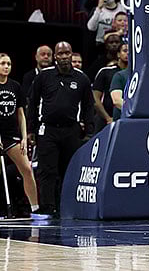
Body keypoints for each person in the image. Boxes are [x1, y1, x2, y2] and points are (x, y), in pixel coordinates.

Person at [27, 41, 94, 216]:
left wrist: (89, 131)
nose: (64, 57)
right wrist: (31, 130)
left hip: (71, 130)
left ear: (72, 54)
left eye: (67, 53)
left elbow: (88, 106)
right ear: (55, 56)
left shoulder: (82, 78)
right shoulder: (44, 76)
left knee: (70, 169)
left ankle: (68, 206)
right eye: (60, 54)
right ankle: (48, 207)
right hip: (47, 130)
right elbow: (32, 103)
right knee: (46, 170)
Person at [0, 53, 42, 219]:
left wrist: (24, 137)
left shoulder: (15, 86)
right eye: (3, 63)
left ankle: (35, 208)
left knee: (27, 169)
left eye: (9, 64)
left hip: (12, 135)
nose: (6, 67)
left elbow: (21, 114)